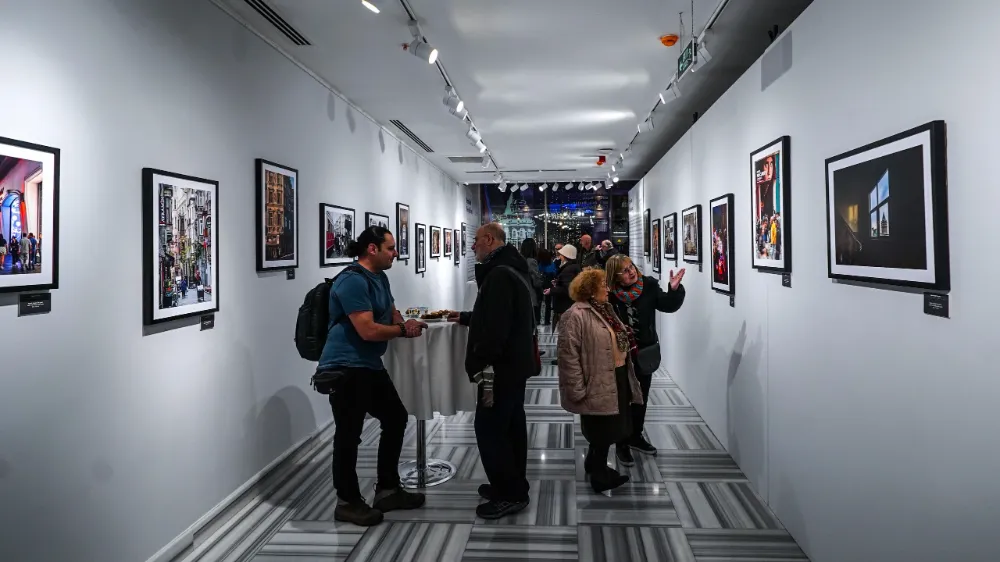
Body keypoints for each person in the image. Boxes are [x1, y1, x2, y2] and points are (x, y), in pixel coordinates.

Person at [317, 225, 428, 526]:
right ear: (372, 249)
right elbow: (367, 330)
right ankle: (347, 501)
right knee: (348, 435)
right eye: (391, 248)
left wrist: (404, 323)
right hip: (345, 368)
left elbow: (391, 313)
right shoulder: (351, 281)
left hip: (368, 365)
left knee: (395, 417)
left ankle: (388, 490)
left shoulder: (379, 277)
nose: (396, 253)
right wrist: (404, 331)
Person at [448, 222, 535, 519]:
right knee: (510, 425)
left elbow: (497, 327)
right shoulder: (512, 268)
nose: (472, 247)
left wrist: (480, 360)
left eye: (475, 241)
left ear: (489, 239)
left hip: (499, 368)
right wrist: (466, 317)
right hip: (514, 364)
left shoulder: (499, 274)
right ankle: (509, 484)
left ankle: (511, 494)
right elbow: (499, 313)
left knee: (489, 428)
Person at [557, 268, 643, 493]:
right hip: (596, 379)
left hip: (615, 374)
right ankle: (599, 476)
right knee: (602, 427)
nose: (607, 288)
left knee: (611, 425)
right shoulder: (575, 315)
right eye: (602, 284)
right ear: (590, 290)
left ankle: (593, 462)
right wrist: (576, 388)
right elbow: (568, 356)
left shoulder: (605, 309)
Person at [604, 254, 686, 465]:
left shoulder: (648, 285)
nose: (631, 271)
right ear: (615, 276)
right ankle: (621, 442)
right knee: (622, 400)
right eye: (625, 270)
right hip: (619, 355)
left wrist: (674, 290)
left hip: (643, 353)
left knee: (641, 397)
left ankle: (636, 436)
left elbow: (668, 305)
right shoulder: (609, 294)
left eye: (631, 266)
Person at [544, 244, 581, 330]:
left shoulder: (568, 269)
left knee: (565, 334)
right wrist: (557, 283)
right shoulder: (573, 267)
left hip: (565, 306)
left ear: (565, 256)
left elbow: (566, 289)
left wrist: (552, 290)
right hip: (569, 305)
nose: (560, 256)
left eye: (561, 254)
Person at [519, 238, 543, 324]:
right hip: (531, 295)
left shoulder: (519, 260)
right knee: (533, 323)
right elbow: (536, 281)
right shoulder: (531, 261)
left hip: (521, 296)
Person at [537, 248, 557, 325]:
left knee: (539, 302)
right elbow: (554, 272)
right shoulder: (551, 263)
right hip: (549, 283)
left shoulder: (539, 263)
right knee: (548, 303)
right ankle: (547, 320)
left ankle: (538, 320)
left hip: (540, 283)